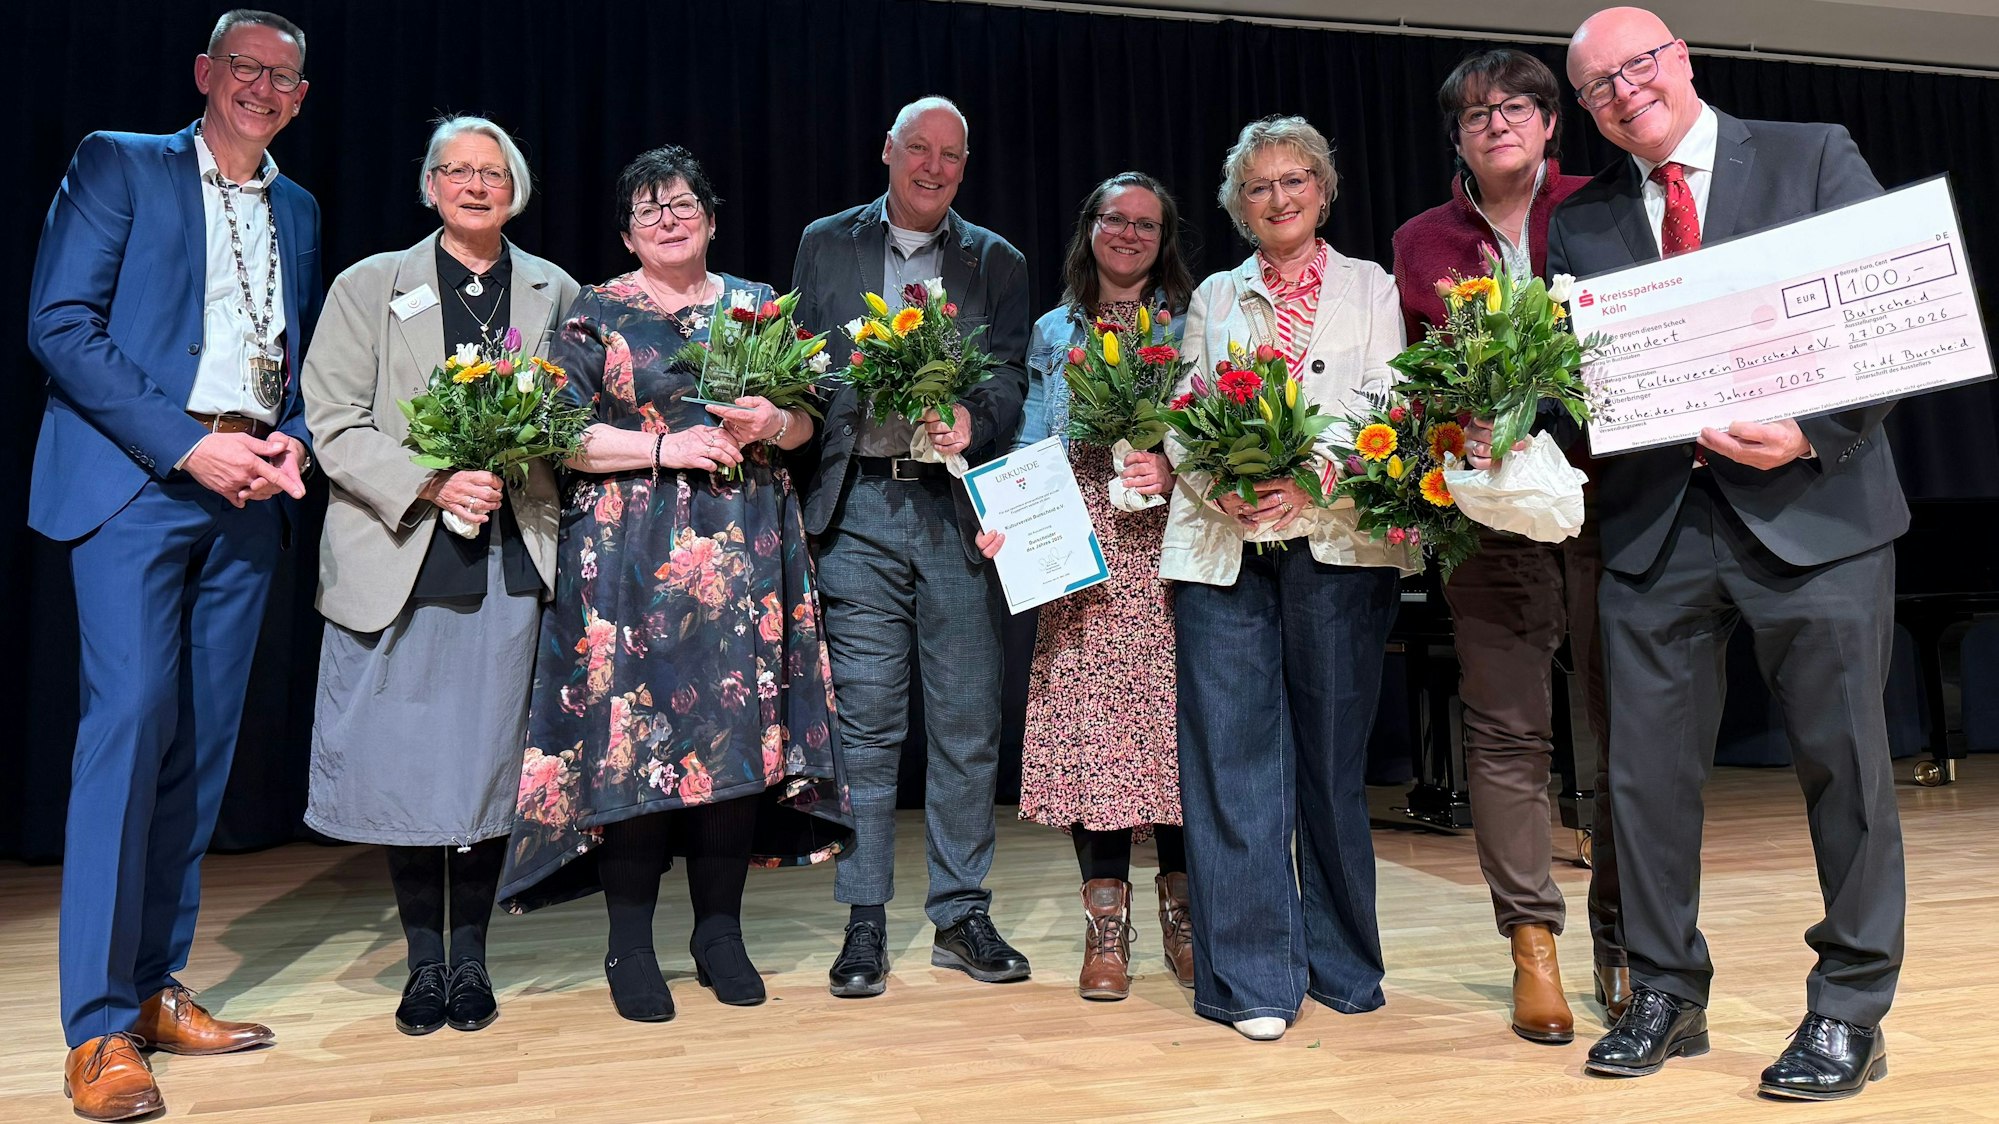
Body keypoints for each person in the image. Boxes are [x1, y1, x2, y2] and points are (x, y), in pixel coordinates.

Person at [1518, 6, 1906, 1099]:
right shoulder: (1580, 220)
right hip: (1656, 526)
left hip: (1816, 510)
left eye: (1636, 65)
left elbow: (1891, 311)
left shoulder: (1808, 154)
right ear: (1583, 110)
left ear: (1679, 59)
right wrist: (1517, 415)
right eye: (1597, 86)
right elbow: (1576, 384)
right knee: (1640, 781)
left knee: (1845, 769)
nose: (1623, 92)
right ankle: (1663, 989)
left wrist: (1815, 430)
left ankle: (1849, 1009)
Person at [25, 10, 319, 1120]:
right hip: (137, 482)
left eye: (281, 76)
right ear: (205, 72)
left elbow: (283, 356)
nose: (260, 86)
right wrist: (187, 444)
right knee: (132, 723)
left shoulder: (298, 206)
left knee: (198, 748)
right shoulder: (120, 162)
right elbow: (61, 323)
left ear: (300, 97)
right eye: (243, 66)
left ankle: (153, 986)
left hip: (244, 494)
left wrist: (291, 436)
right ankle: (97, 1029)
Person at [495, 145, 852, 1024]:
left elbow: (808, 423)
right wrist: (664, 445)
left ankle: (719, 934)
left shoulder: (757, 306)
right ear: (626, 233)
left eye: (683, 203)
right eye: (648, 208)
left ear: (712, 219)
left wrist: (777, 418)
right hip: (630, 561)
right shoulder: (596, 311)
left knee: (731, 738)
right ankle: (629, 943)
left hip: (745, 553)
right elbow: (559, 434)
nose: (667, 218)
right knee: (636, 742)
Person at [300, 116, 579, 1037]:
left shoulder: (553, 290)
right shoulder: (369, 285)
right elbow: (332, 422)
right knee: (407, 769)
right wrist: (430, 480)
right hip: (404, 550)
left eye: (491, 172)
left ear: (515, 189)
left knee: (488, 769)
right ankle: (425, 963)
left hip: (510, 554)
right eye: (456, 170)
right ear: (429, 187)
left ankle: (474, 961)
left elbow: (572, 424)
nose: (474, 185)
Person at [1389, 48, 1626, 1045]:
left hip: (1614, 502)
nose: (1497, 122)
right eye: (1476, 112)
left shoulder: (1607, 208)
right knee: (1505, 731)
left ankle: (1626, 941)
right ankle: (1532, 945)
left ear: (1550, 122)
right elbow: (1413, 382)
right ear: (1456, 135)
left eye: (1518, 106)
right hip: (1486, 515)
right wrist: (1454, 426)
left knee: (1626, 728)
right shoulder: (1419, 242)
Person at [1166, 116, 1418, 1041]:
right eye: (1258, 185)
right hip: (1225, 550)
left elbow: (1391, 404)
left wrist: (1312, 479)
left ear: (1323, 187)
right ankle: (1252, 982)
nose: (1278, 197)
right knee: (1232, 766)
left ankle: (1342, 965)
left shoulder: (1372, 287)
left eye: (1294, 179)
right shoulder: (1213, 296)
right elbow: (1184, 413)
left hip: (1338, 545)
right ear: (1239, 206)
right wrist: (1225, 486)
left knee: (1331, 766)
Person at [790, 96, 1032, 998]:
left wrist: (975, 414)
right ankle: (863, 918)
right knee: (865, 723)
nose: (933, 167)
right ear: (887, 150)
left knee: (967, 720)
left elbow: (1009, 375)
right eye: (919, 149)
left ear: (964, 167)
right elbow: (802, 368)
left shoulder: (996, 260)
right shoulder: (826, 243)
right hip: (857, 506)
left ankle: (960, 912)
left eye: (951, 156)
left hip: (955, 511)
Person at [976, 172, 1195, 1001]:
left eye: (1146, 224)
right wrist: (1006, 516)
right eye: (1115, 219)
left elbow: (1211, 428)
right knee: (1092, 735)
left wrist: (1172, 468)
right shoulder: (1051, 329)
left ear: (1163, 239)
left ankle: (1184, 917)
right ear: (1090, 228)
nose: (1129, 234)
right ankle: (1107, 926)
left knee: (1171, 733)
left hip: (1168, 543)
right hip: (1079, 546)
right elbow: (1031, 443)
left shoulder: (1191, 321)